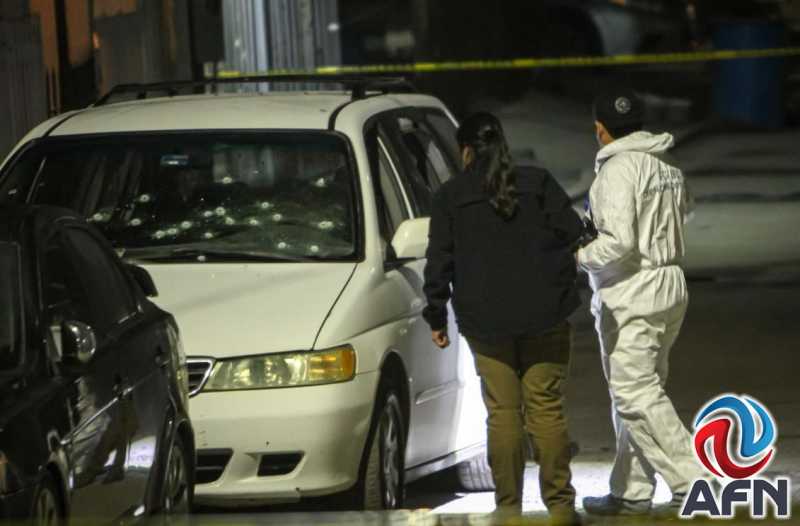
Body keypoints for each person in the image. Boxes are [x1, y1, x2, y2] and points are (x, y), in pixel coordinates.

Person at [422, 112, 584, 526]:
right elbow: (574, 233)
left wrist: (436, 314)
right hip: (545, 314)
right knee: (546, 408)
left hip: (486, 322)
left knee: (503, 413)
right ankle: (561, 508)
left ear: (466, 151)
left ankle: (509, 509)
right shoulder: (537, 183)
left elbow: (439, 261)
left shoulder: (450, 197)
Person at [576, 88, 705, 517]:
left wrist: (578, 255)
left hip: (632, 289)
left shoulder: (616, 170)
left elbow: (618, 243)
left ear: (600, 129)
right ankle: (631, 490)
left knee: (634, 393)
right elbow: (686, 211)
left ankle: (696, 483)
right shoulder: (666, 162)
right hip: (670, 283)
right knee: (641, 392)